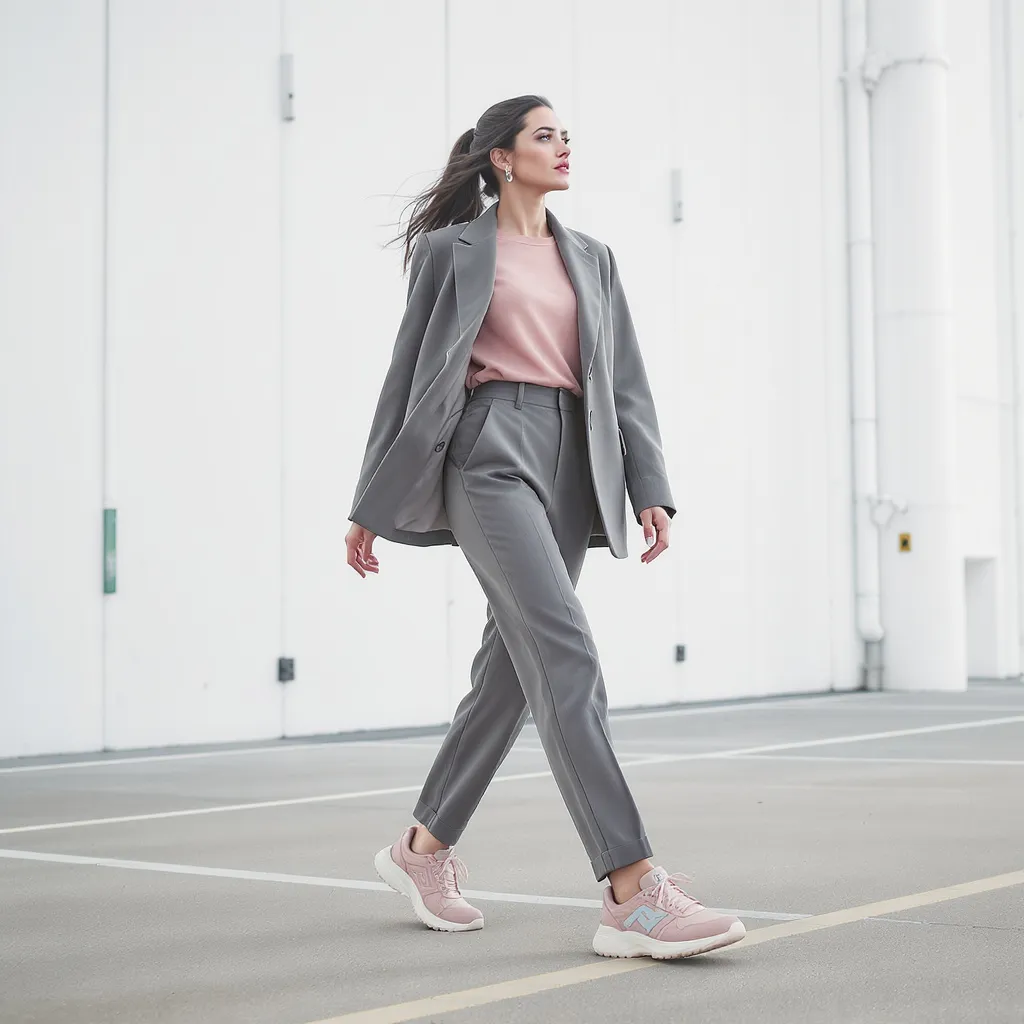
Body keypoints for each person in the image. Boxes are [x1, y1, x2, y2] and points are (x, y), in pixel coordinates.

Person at [345, 94, 745, 960]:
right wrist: (369, 500)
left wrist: (653, 487)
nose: (563, 146)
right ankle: (633, 892)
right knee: (565, 651)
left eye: (567, 135)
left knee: (511, 673)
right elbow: (406, 373)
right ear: (501, 156)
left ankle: (421, 851)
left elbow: (625, 382)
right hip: (488, 452)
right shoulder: (450, 250)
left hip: (575, 462)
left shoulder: (593, 257)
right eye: (544, 134)